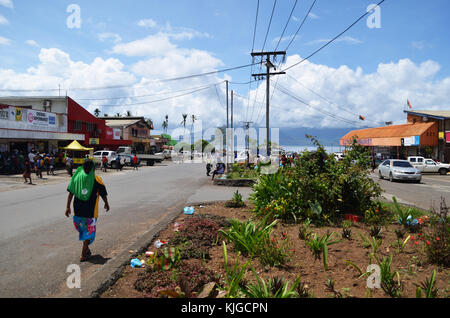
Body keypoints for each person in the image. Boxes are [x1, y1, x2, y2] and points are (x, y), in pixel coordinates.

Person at [65, 160, 110, 262]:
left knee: (83, 231)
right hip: (90, 212)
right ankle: (83, 254)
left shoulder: (77, 177)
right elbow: (103, 193)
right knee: (88, 233)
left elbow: (70, 193)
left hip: (77, 211)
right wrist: (106, 203)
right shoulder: (96, 179)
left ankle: (86, 249)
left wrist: (68, 207)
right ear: (93, 169)